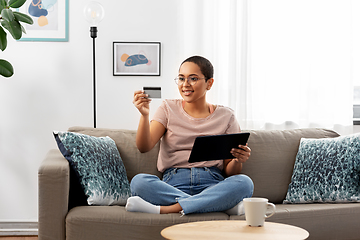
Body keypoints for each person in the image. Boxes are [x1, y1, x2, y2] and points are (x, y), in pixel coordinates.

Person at [126, 56, 253, 215]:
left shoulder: (226, 116)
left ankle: (169, 209)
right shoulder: (167, 108)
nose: (185, 84)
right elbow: (144, 147)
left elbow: (231, 172)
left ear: (209, 83)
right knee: (139, 182)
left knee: (244, 183)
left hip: (212, 182)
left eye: (193, 78)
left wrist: (237, 159)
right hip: (173, 184)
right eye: (181, 78)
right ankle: (219, 205)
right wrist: (144, 115)